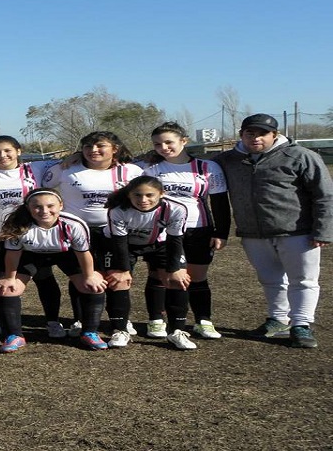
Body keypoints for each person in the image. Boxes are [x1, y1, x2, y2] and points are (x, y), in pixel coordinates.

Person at [214, 113, 333, 348]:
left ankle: (301, 324)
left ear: (274, 135)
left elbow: (324, 196)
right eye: (250, 133)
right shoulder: (228, 159)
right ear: (242, 134)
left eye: (262, 133)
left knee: (304, 280)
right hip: (253, 232)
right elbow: (191, 164)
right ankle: (278, 319)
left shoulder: (300, 156)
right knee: (270, 279)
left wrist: (323, 230)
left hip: (297, 231)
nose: (256, 138)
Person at [43, 131, 143, 341]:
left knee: (116, 277)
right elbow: (36, 180)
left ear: (114, 148)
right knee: (82, 277)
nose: (93, 150)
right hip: (78, 232)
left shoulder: (131, 171)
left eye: (100, 146)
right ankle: (80, 319)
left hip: (114, 232)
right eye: (87, 147)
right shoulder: (67, 169)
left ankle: (120, 323)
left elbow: (150, 190)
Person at [141, 122, 231, 339]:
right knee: (161, 275)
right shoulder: (149, 169)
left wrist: (222, 232)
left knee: (197, 277)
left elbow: (219, 202)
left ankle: (203, 320)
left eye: (169, 142)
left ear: (184, 141)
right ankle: (156, 320)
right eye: (158, 144)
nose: (164, 147)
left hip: (199, 230)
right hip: (162, 231)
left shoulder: (207, 168)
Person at [0, 135, 66, 341]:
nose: (2, 155)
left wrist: (77, 154)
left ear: (18, 151)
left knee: (44, 277)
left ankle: (53, 320)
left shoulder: (37, 168)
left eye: (7, 150)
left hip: (30, 233)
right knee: (1, 279)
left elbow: (66, 161)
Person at [0, 189, 109, 350]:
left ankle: (89, 332)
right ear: (28, 207)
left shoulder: (73, 224)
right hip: (31, 256)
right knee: (7, 289)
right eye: (37, 207)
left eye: (50, 206)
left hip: (65, 255)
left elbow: (83, 254)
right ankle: (14, 335)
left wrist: (90, 276)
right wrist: (9, 278)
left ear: (61, 205)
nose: (44, 211)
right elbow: (13, 255)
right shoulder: (18, 224)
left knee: (92, 285)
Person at [103, 175, 195, 350]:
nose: (143, 200)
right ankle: (120, 330)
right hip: (124, 245)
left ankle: (177, 331)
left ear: (161, 193)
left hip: (161, 244)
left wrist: (175, 268)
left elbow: (175, 239)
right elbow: (119, 241)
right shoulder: (118, 209)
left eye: (149, 195)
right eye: (137, 195)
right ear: (129, 195)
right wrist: (123, 269)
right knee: (118, 280)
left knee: (177, 280)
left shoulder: (175, 208)